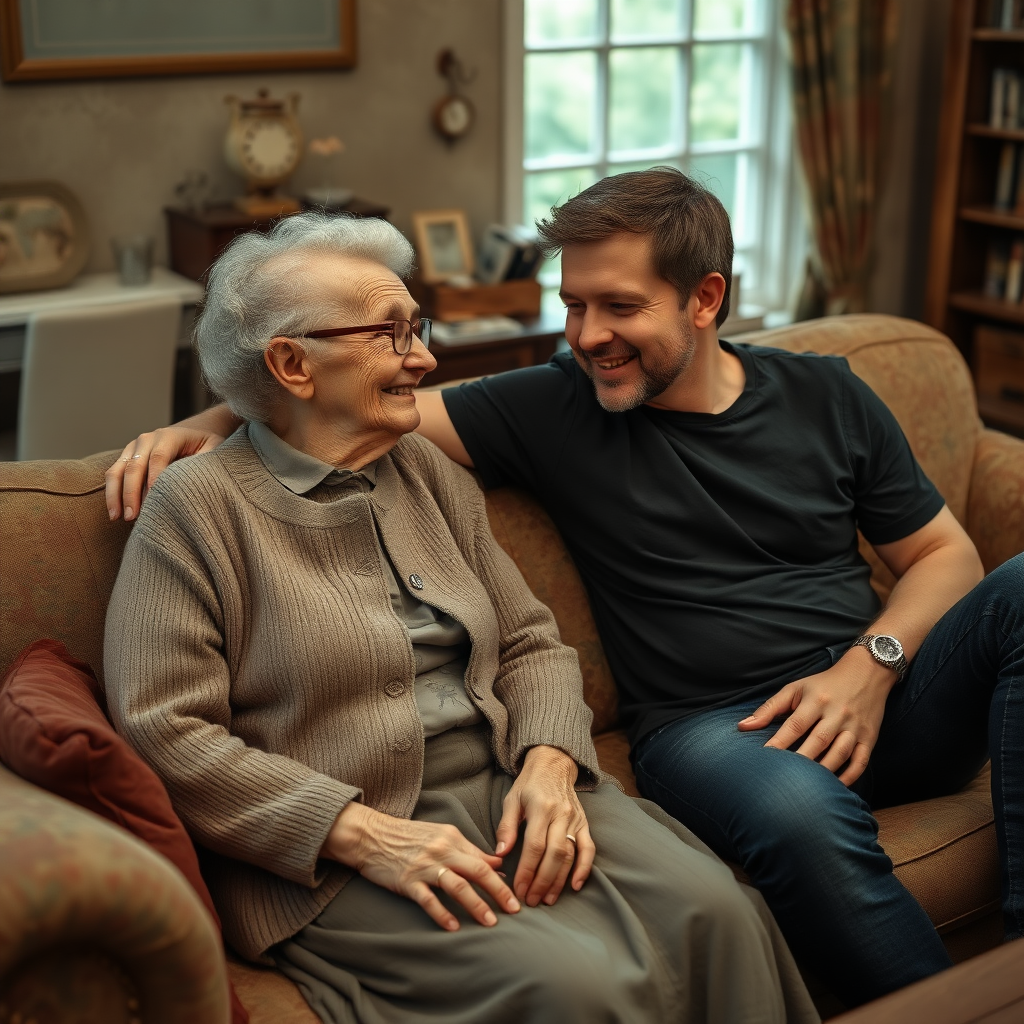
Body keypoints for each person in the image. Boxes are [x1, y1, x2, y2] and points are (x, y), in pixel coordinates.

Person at [105, 167, 1024, 1009]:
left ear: (707, 300)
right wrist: (217, 413)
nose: (585, 337)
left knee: (726, 911)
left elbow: (534, 640)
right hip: (714, 730)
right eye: (573, 305)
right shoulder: (547, 405)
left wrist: (873, 664)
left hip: (862, 693)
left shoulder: (826, 394)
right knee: (748, 853)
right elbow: (318, 409)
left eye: (618, 306)